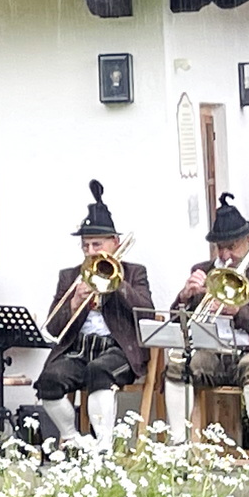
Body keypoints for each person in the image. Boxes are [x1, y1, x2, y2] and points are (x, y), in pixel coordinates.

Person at [163, 194, 249, 464]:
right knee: (177, 364)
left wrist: (239, 312)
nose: (225, 255)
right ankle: (178, 450)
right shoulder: (204, 271)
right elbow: (178, 324)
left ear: (248, 240)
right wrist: (185, 297)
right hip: (212, 353)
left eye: (232, 247)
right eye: (220, 248)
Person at [34, 181, 154, 453]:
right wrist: (74, 302)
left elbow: (146, 311)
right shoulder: (70, 276)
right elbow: (54, 327)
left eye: (97, 244)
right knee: (49, 380)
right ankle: (73, 440)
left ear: (115, 243)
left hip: (118, 348)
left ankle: (103, 447)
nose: (90, 252)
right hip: (79, 348)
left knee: (99, 371)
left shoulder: (134, 272)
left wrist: (117, 283)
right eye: (85, 246)